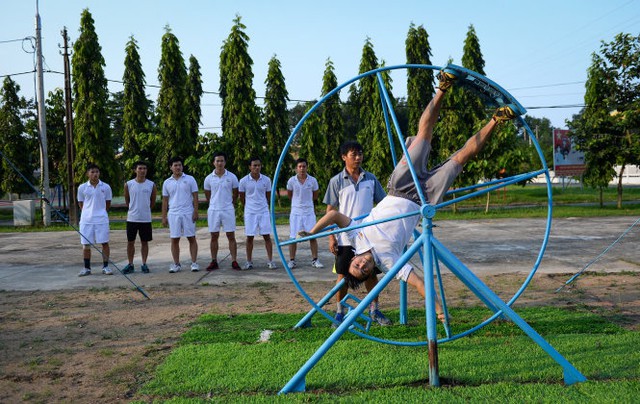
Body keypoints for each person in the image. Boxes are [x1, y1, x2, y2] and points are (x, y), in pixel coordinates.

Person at [302, 70, 518, 321]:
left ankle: (443, 87)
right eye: (364, 271)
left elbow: (335, 216)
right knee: (460, 159)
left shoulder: (356, 237)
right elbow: (417, 283)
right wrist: (438, 310)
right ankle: (498, 119)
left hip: (400, 186)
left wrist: (313, 232)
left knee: (424, 136)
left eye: (356, 265)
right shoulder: (390, 263)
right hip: (422, 200)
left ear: (354, 258)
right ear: (372, 271)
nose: (362, 266)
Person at [323, 140, 389, 326]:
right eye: (354, 154)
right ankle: (339, 312)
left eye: (360, 154)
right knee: (343, 275)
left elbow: (383, 204)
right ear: (344, 157)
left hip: (368, 238)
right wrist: (331, 236)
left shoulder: (370, 179)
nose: (358, 158)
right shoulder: (336, 181)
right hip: (345, 237)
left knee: (370, 275)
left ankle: (374, 310)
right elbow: (330, 211)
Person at [203, 151, 241, 271]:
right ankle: (214, 261)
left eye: (222, 161)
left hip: (228, 209)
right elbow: (208, 195)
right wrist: (214, 203)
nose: (220, 163)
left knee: (231, 235)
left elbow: (235, 193)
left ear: (225, 162)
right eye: (217, 161)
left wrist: (230, 204)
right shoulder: (209, 178)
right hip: (214, 210)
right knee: (214, 236)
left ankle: (234, 260)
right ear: (214, 162)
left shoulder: (232, 177)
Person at [161, 156, 199, 273]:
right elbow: (165, 200)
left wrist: (196, 211)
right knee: (174, 239)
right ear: (171, 167)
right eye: (175, 165)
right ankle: (176, 264)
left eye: (180, 165)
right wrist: (163, 217)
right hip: (173, 213)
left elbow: (195, 197)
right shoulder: (167, 182)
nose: (178, 167)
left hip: (188, 212)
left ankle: (194, 263)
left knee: (191, 237)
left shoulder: (190, 179)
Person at [238, 156, 276, 270]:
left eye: (259, 165)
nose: (257, 167)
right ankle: (249, 261)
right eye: (254, 165)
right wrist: (250, 207)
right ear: (250, 167)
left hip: (263, 211)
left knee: (267, 236)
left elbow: (268, 196)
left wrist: (263, 205)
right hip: (250, 212)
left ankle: (270, 261)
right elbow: (242, 198)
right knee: (250, 237)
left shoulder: (266, 180)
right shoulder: (244, 181)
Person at [286, 158, 323, 269]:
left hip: (309, 213)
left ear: (307, 167)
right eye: (300, 166)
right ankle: (292, 260)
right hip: (296, 213)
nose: (302, 169)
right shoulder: (291, 181)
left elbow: (315, 196)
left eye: (304, 166)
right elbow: (289, 195)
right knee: (293, 237)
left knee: (312, 236)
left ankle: (315, 259)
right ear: (296, 168)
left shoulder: (312, 181)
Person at [77, 163, 113, 276]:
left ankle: (106, 266)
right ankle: (87, 268)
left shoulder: (106, 187)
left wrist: (101, 213)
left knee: (104, 243)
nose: (95, 174)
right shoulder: (82, 187)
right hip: (86, 220)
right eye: (92, 172)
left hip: (101, 220)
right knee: (86, 244)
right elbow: (81, 204)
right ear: (88, 173)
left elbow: (108, 203)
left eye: (97, 172)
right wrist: (88, 213)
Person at [122, 161, 157, 274]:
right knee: (130, 242)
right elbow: (127, 201)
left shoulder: (151, 184)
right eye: (140, 168)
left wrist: (145, 209)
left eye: (144, 168)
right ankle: (130, 264)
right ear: (135, 170)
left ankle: (144, 263)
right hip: (132, 218)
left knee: (144, 242)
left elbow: (152, 202)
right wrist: (133, 209)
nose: (142, 171)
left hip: (145, 218)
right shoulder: (128, 184)